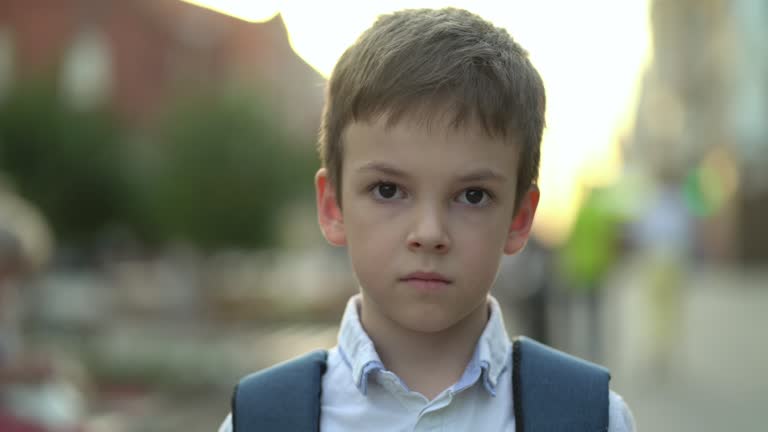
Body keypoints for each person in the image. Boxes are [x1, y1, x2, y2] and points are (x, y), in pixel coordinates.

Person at [219, 7, 634, 431]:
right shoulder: (262, 418)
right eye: (387, 190)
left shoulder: (589, 417)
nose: (430, 233)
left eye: (472, 196)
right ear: (333, 208)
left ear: (519, 218)